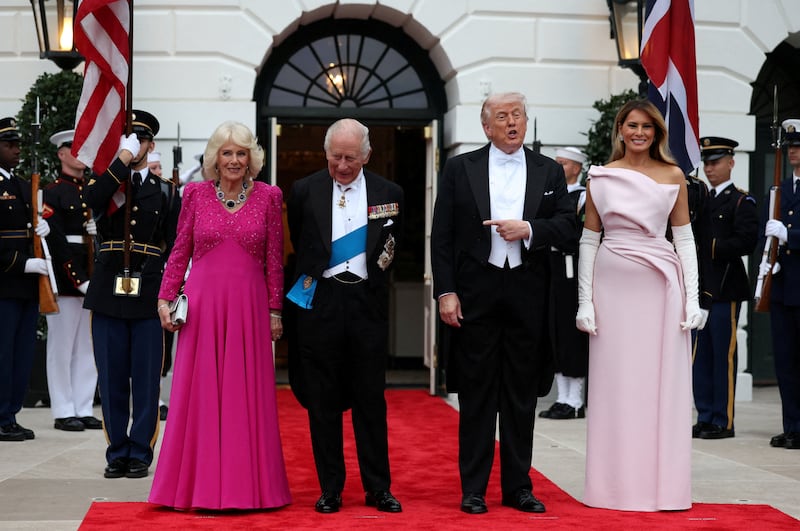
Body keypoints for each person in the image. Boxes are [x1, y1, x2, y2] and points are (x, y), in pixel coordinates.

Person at [431, 92, 575, 515]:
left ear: (526, 122)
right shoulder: (460, 168)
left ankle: (518, 487)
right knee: (476, 396)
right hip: (476, 292)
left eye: (517, 115)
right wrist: (446, 291)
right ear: (486, 126)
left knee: (521, 396)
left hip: (528, 292)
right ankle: (473, 488)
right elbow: (442, 236)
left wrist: (529, 228)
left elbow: (567, 225)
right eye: (502, 116)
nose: (511, 122)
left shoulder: (549, 170)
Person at [148, 121, 291, 510]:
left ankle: (249, 488)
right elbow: (180, 252)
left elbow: (274, 260)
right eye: (226, 153)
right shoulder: (194, 194)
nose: (233, 160)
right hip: (203, 309)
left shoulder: (268, 196)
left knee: (246, 398)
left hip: (249, 307)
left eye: (241, 153)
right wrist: (165, 299)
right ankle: (196, 487)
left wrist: (275, 309)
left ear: (251, 159)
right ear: (215, 158)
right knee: (199, 397)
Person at [576, 99, 704, 511]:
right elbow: (589, 240)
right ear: (620, 129)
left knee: (657, 387)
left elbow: (683, 238)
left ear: (657, 133)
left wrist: (693, 299)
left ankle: (661, 487)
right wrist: (585, 303)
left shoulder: (673, 175)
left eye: (647, 127)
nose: (639, 133)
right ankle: (613, 488)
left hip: (661, 288)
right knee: (616, 389)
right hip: (611, 291)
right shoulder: (601, 177)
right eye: (632, 125)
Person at [286, 118, 404, 514]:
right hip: (323, 302)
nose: (342, 165)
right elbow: (302, 241)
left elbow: (391, 246)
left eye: (350, 157)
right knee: (322, 402)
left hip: (366, 304)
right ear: (326, 153)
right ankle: (330, 488)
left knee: (371, 401)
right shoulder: (304, 191)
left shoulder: (390, 192)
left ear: (366, 155)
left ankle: (378, 488)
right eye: (335, 156)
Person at [83, 110, 181, 478]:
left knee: (145, 377)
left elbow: (175, 247)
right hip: (108, 291)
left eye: (140, 140)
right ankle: (116, 451)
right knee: (111, 378)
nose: (134, 145)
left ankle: (140, 450)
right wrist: (120, 162)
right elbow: (93, 198)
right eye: (129, 139)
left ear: (150, 145)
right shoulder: (108, 184)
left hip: (148, 293)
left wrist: (171, 292)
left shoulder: (167, 192)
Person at [692, 137, 758, 440]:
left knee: (723, 356)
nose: (710, 168)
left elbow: (746, 241)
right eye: (706, 162)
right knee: (699, 356)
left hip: (725, 288)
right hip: (700, 289)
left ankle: (724, 419)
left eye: (716, 162)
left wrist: (709, 247)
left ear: (731, 162)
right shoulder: (699, 198)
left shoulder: (741, 201)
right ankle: (705, 415)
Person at [41, 129, 102, 432]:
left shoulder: (91, 189)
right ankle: (63, 409)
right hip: (68, 282)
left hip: (92, 276)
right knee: (62, 346)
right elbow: (57, 240)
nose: (80, 154)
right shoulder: (52, 192)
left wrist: (98, 231)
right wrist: (78, 279)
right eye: (73, 149)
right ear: (62, 154)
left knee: (88, 346)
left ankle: (83, 405)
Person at [0, 117, 51, 442]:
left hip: (25, 287)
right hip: (5, 282)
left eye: (19, 144)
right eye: (10, 145)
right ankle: (2, 415)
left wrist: (42, 230)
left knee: (21, 353)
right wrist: (22, 263)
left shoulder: (20, 184)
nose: (17, 149)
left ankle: (11, 412)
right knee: (3, 353)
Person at [540, 146, 590, 420]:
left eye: (563, 163)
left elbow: (579, 234)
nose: (558, 167)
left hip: (573, 269)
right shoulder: (552, 197)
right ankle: (562, 397)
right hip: (554, 268)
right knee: (556, 333)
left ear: (576, 168)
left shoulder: (583, 197)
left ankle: (575, 400)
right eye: (556, 162)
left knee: (572, 336)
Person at [762, 119, 800, 450]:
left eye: (798, 147)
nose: (793, 153)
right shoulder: (780, 189)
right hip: (783, 287)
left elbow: (786, 233)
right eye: (790, 148)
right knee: (785, 362)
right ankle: (792, 426)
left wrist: (791, 236)